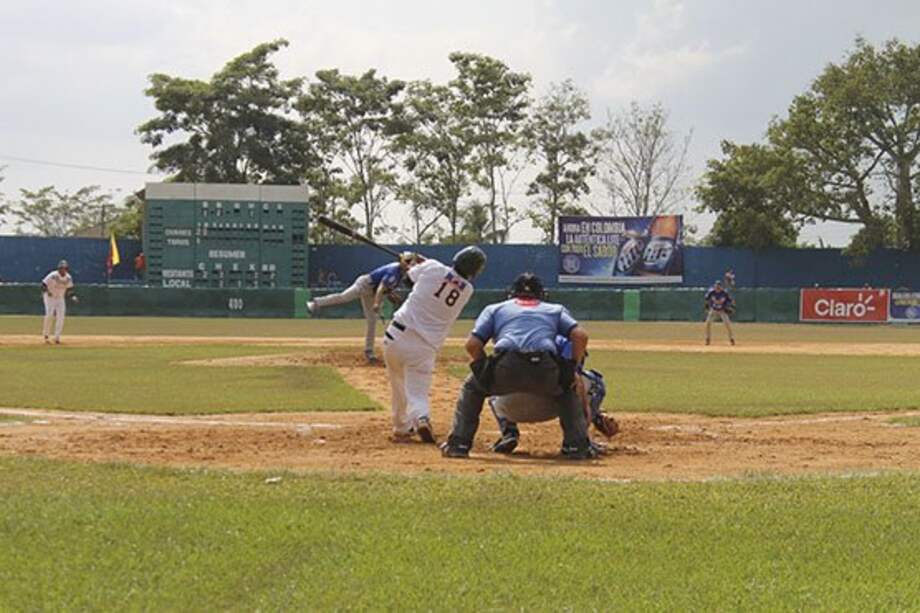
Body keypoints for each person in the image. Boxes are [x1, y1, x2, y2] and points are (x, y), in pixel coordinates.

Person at [441, 273, 596, 460]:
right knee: (566, 388)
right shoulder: (555, 309)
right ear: (541, 294)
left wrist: (485, 370)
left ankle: (459, 444)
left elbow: (472, 345)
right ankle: (576, 447)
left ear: (512, 294)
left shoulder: (495, 309)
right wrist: (571, 369)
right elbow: (581, 336)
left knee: (472, 387)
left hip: (507, 366)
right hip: (544, 368)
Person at [382, 246, 486, 443]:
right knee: (417, 391)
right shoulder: (467, 291)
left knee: (398, 384)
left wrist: (408, 263)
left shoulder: (433, 267)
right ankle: (421, 417)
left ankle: (402, 427)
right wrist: (421, 262)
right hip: (425, 347)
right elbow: (445, 278)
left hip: (396, 335)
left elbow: (408, 279)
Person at [487, 334, 618, 454]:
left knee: (495, 388)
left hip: (508, 408)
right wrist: (594, 416)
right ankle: (576, 441)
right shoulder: (564, 339)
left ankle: (509, 434)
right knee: (594, 383)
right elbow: (575, 383)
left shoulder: (510, 340)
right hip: (553, 404)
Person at [307, 252, 419, 363]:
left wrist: (391, 295)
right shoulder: (394, 271)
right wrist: (376, 304)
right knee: (344, 297)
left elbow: (385, 289)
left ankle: (369, 351)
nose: (410, 265)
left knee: (372, 321)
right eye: (408, 261)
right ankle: (315, 303)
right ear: (402, 261)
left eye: (411, 262)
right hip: (365, 284)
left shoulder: (401, 273)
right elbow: (380, 288)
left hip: (371, 292)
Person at [41, 260, 77, 345]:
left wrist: (72, 296)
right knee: (49, 315)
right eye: (61, 268)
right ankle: (46, 335)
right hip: (50, 297)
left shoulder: (68, 277)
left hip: (60, 298)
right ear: (58, 268)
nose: (62, 270)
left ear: (67, 269)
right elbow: (43, 284)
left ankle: (57, 337)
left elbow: (69, 289)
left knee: (61, 316)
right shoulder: (53, 275)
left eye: (64, 268)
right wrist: (47, 292)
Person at [704, 280, 735, 346]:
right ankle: (708, 339)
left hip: (722, 311)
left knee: (727, 324)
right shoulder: (711, 292)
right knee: (707, 323)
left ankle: (731, 339)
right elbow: (706, 299)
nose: (717, 287)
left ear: (721, 286)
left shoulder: (724, 293)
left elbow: (730, 301)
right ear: (714, 286)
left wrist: (731, 306)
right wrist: (707, 307)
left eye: (719, 286)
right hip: (713, 310)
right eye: (716, 285)